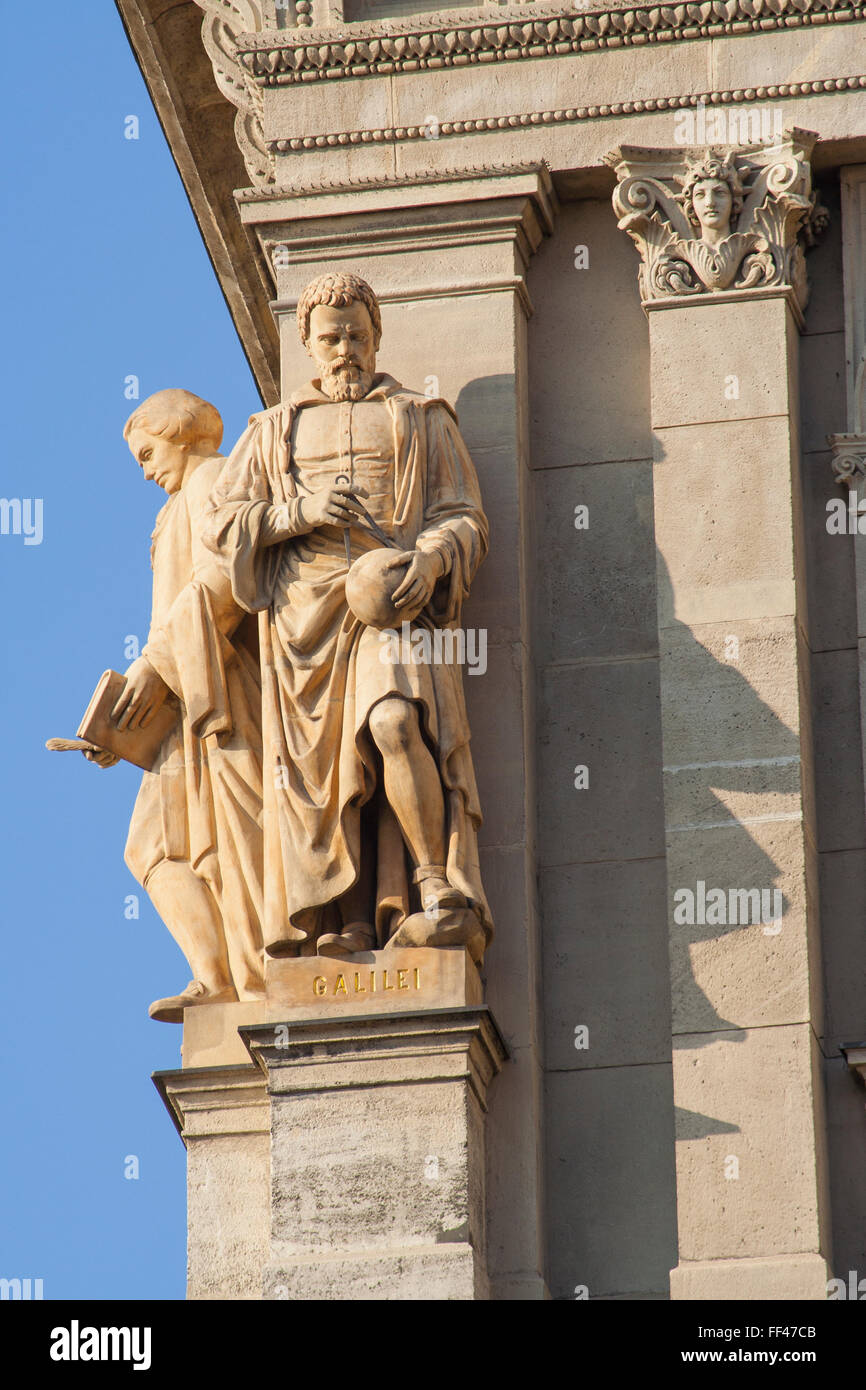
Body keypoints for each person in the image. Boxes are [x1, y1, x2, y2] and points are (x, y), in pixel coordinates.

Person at [203, 272, 493, 961]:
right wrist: (295, 513)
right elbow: (220, 524)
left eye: (357, 335)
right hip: (303, 620)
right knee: (324, 774)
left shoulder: (423, 418)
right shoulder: (273, 432)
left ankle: (434, 884)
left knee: (394, 721)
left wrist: (431, 559)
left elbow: (464, 516)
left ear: (377, 337)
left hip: (391, 598)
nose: (345, 350)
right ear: (306, 343)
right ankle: (351, 918)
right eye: (331, 338)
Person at [88, 388, 266, 1020]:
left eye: (147, 451)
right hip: (187, 695)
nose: (144, 468)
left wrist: (152, 668)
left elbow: (224, 581)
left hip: (221, 688)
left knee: (167, 844)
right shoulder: (173, 507)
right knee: (159, 846)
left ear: (183, 433)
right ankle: (218, 977)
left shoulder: (212, 478)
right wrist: (124, 727)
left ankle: (226, 980)